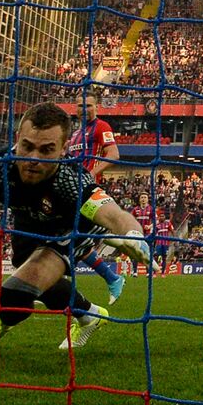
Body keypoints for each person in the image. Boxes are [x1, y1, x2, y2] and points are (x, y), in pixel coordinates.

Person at [0, 102, 151, 355]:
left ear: (63, 150)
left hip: (68, 229)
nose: (33, 159)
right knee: (41, 284)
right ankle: (90, 315)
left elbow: (115, 214)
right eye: (27, 146)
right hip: (28, 224)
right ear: (17, 139)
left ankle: (3, 321)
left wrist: (133, 234)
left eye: (46, 150)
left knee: (16, 293)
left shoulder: (70, 181)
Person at [66, 91, 125, 303]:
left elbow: (114, 154)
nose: (85, 109)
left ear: (97, 107)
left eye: (89, 105)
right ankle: (112, 278)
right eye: (81, 106)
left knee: (67, 241)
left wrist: (91, 173)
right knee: (75, 243)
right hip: (69, 191)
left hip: (85, 191)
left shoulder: (101, 127)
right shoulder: (75, 134)